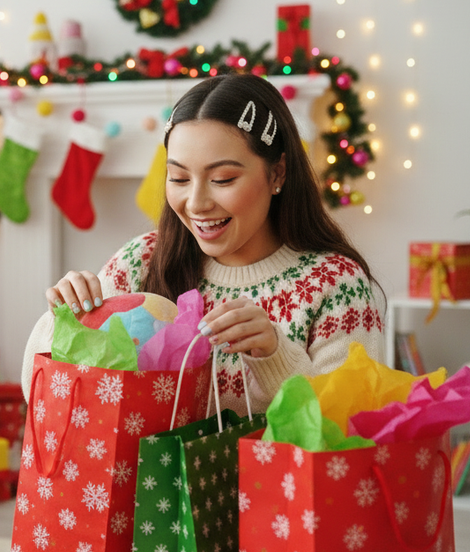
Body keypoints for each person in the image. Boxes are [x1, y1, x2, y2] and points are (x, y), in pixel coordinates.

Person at [23, 73, 385, 414]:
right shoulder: (141, 261)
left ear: (278, 173)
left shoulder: (336, 285)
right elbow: (42, 399)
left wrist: (275, 356)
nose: (196, 203)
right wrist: (65, 321)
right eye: (179, 178)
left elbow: (347, 431)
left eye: (223, 179)